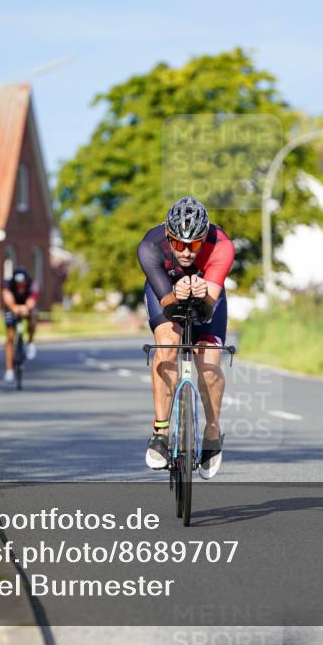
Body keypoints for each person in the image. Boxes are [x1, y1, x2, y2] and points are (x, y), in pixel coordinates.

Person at [137, 196, 234, 479]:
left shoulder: (222, 246)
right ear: (169, 237)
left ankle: (213, 432)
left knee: (209, 364)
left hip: (208, 293)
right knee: (167, 344)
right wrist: (176, 295)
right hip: (166, 290)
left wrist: (202, 292)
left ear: (204, 238)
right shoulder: (150, 247)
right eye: (179, 244)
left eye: (194, 245)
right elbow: (168, 305)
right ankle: (161, 432)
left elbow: (206, 309)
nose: (188, 253)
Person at [2, 266, 39, 382]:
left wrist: (26, 308)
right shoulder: (8, 285)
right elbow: (7, 298)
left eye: (23, 284)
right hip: (12, 307)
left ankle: (31, 342)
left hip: (26, 306)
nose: (20, 286)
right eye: (18, 284)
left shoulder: (33, 285)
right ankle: (9, 370)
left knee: (33, 317)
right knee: (10, 337)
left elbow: (32, 300)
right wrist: (14, 308)